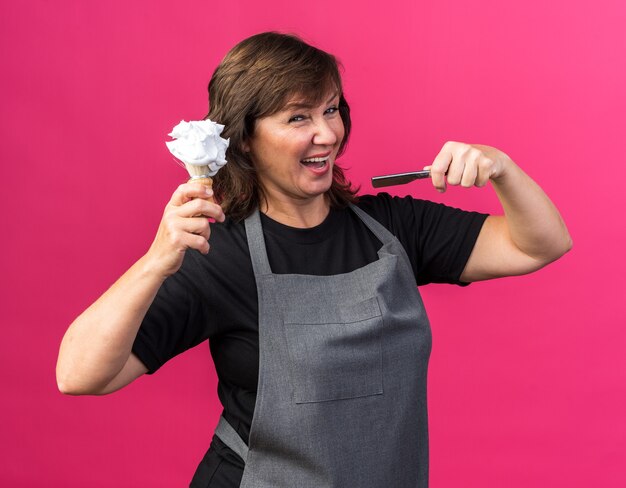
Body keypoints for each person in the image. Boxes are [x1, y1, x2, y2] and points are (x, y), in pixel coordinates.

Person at [56, 32, 572, 487]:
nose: (326, 133)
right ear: (245, 140)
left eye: (330, 109)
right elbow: (79, 375)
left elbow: (540, 244)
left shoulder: (392, 227)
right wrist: (155, 262)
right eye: (298, 117)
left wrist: (503, 169)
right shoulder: (222, 256)